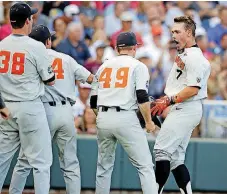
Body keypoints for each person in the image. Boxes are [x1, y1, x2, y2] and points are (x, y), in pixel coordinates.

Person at [8, 25, 93, 194]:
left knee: (25, 161)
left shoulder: (29, 57)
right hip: (66, 112)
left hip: (42, 112)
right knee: (70, 164)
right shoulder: (66, 58)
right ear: (48, 41)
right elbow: (90, 78)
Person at [90, 32, 158, 194]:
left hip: (103, 117)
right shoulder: (138, 66)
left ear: (116, 48)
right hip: (125, 116)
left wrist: (104, 119)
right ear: (134, 48)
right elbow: (141, 96)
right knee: (145, 166)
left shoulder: (103, 66)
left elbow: (93, 102)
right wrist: (149, 122)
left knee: (103, 167)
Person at [150, 16, 211, 194]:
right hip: (183, 107)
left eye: (177, 31)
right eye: (172, 31)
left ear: (189, 33)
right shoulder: (185, 53)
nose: (173, 35)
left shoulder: (195, 57)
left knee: (161, 151)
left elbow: (192, 89)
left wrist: (168, 100)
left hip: (187, 106)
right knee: (176, 158)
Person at [0, 2, 55, 193]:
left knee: (1, 160)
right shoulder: (35, 46)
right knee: (41, 162)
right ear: (28, 21)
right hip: (29, 107)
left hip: (5, 107)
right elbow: (50, 80)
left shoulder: (1, 45)